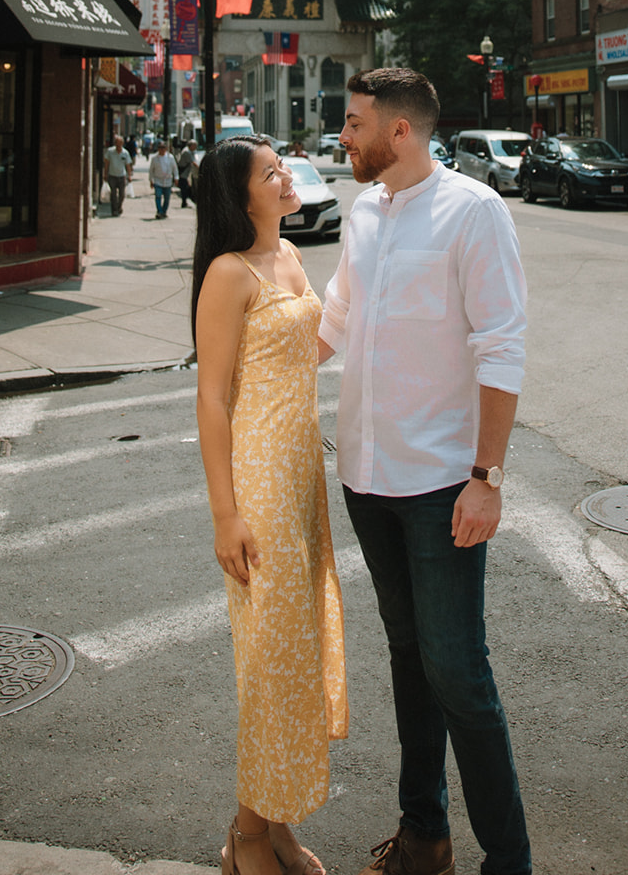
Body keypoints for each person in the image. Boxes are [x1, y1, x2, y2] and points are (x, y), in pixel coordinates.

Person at [319, 69, 530, 875]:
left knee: (458, 672)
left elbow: (502, 346)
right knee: (409, 658)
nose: (344, 135)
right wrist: (251, 369)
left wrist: (488, 476)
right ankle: (423, 836)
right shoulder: (362, 211)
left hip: (443, 485)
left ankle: (509, 862)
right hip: (366, 481)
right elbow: (337, 319)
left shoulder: (473, 212)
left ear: (399, 131)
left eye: (353, 122)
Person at [194, 135, 348, 875]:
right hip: (257, 480)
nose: (287, 176)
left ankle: (274, 824)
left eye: (282, 166)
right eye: (272, 171)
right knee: (268, 660)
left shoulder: (287, 257)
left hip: (300, 476)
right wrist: (227, 514)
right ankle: (247, 836)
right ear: (240, 195)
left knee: (296, 652)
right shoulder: (228, 273)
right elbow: (212, 397)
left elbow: (301, 350)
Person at [103, 134, 132, 216]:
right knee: (113, 194)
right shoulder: (110, 151)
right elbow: (106, 163)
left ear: (122, 144)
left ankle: (119, 207)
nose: (118, 145)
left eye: (120, 143)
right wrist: (105, 174)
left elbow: (128, 165)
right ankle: (114, 210)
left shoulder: (125, 153)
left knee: (122, 194)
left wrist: (129, 176)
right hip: (112, 175)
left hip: (122, 176)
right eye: (117, 143)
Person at [148, 139, 178, 218]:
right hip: (158, 180)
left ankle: (164, 211)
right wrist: (151, 180)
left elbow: (175, 168)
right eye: (160, 148)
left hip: (167, 180)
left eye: (163, 148)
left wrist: (176, 177)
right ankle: (159, 211)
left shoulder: (170, 157)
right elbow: (151, 170)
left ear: (166, 149)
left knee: (167, 198)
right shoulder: (154, 158)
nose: (162, 150)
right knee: (158, 196)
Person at [179, 139, 200, 208]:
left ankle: (185, 201)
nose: (195, 147)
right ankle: (184, 202)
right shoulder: (186, 152)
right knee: (185, 188)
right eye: (194, 146)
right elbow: (193, 162)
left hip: (186, 173)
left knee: (186, 187)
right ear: (191, 146)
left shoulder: (190, 151)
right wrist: (200, 168)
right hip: (183, 173)